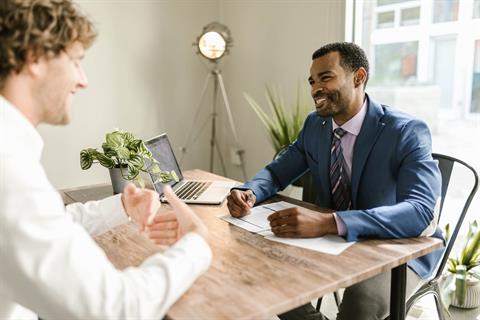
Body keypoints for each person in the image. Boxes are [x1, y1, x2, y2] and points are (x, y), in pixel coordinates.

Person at [0, 1, 211, 319]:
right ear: (35, 58)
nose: (83, 80)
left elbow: (45, 227)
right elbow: (116, 309)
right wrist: (197, 244)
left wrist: (122, 207)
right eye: (76, 61)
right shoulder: (8, 167)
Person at [227, 42, 443, 320]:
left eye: (325, 77)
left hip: (397, 248)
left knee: (360, 305)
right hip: (331, 240)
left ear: (359, 77)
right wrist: (249, 192)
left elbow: (420, 211)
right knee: (264, 273)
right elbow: (277, 172)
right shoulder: (315, 126)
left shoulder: (406, 131)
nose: (316, 88)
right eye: (312, 81)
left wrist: (330, 222)